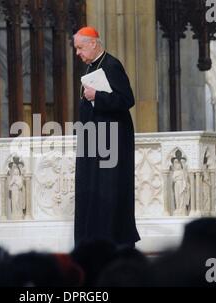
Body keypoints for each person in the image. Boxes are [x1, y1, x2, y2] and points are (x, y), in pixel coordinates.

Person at [73, 26, 140, 248]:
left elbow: (126, 100)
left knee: (108, 190)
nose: (78, 53)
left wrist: (97, 96)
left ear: (93, 43)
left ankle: (111, 241)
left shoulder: (111, 65)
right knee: (91, 188)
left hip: (111, 141)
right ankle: (90, 240)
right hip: (94, 139)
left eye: (80, 48)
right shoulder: (93, 67)